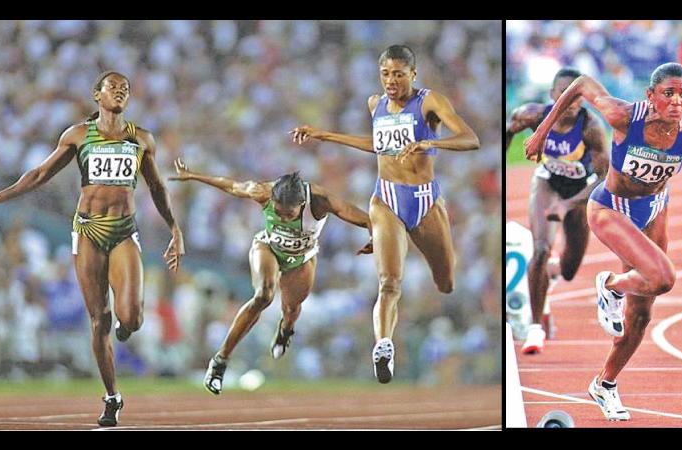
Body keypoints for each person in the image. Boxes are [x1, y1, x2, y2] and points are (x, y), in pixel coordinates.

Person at [0, 71, 185, 427]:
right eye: (113, 87)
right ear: (97, 94)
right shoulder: (78, 135)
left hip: (123, 230)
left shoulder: (141, 139)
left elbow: (157, 187)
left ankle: (127, 327)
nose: (120, 92)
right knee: (99, 320)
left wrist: (174, 229)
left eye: (125, 88)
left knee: (132, 318)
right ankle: (112, 397)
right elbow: (40, 174)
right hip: (89, 230)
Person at [525, 62, 682, 421]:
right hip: (610, 209)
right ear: (651, 96)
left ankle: (605, 384)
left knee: (641, 315)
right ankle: (611, 285)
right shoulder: (623, 115)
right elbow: (583, 83)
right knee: (664, 277)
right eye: (668, 93)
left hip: (654, 210)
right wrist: (541, 132)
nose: (677, 102)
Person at [290, 45, 480, 383]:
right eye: (385, 74)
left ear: (413, 74)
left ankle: (390, 334)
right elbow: (378, 144)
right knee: (389, 282)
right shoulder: (375, 104)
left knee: (446, 282)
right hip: (386, 199)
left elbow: (470, 138)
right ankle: (383, 345)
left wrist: (430, 144)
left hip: (425, 201)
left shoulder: (429, 101)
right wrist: (324, 135)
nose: (391, 81)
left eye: (398, 74)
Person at [168, 158, 372, 395]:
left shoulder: (320, 200)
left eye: (290, 214)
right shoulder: (263, 191)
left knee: (292, 309)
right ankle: (220, 361)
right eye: (278, 212)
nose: (284, 218)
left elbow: (365, 219)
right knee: (263, 295)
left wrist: (375, 237)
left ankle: (285, 331)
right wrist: (193, 175)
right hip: (268, 247)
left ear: (303, 203)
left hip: (302, 258)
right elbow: (232, 186)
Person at [505, 68, 609, 354]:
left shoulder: (591, 128)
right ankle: (534, 329)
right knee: (540, 249)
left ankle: (549, 273)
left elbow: (604, 179)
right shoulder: (532, 115)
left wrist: (567, 205)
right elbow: (508, 130)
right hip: (547, 184)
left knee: (569, 269)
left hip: (579, 192)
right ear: (552, 95)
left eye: (576, 95)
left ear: (583, 100)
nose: (569, 100)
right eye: (563, 92)